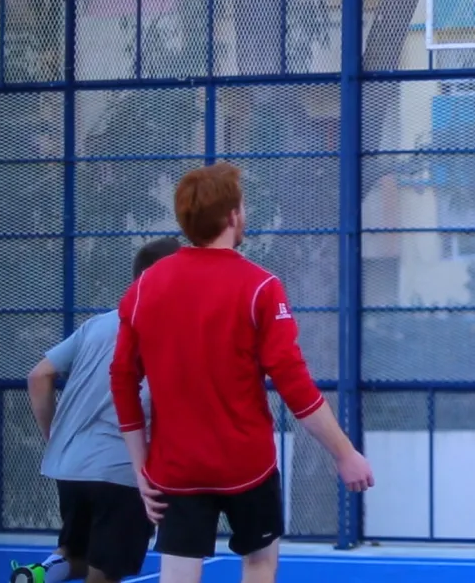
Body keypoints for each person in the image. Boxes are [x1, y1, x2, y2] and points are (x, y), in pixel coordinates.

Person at [108, 162, 375, 583]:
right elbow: (295, 386)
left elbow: (122, 378)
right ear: (233, 216)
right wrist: (344, 453)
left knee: (177, 574)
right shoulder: (260, 288)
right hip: (247, 465)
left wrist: (141, 468)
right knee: (259, 564)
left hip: (176, 468)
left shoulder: (144, 287)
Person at [10, 237, 183, 583]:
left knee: (74, 554)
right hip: (121, 471)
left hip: (69, 465)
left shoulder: (97, 325)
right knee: (103, 574)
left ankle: (41, 573)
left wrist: (55, 436)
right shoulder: (170, 334)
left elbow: (38, 375)